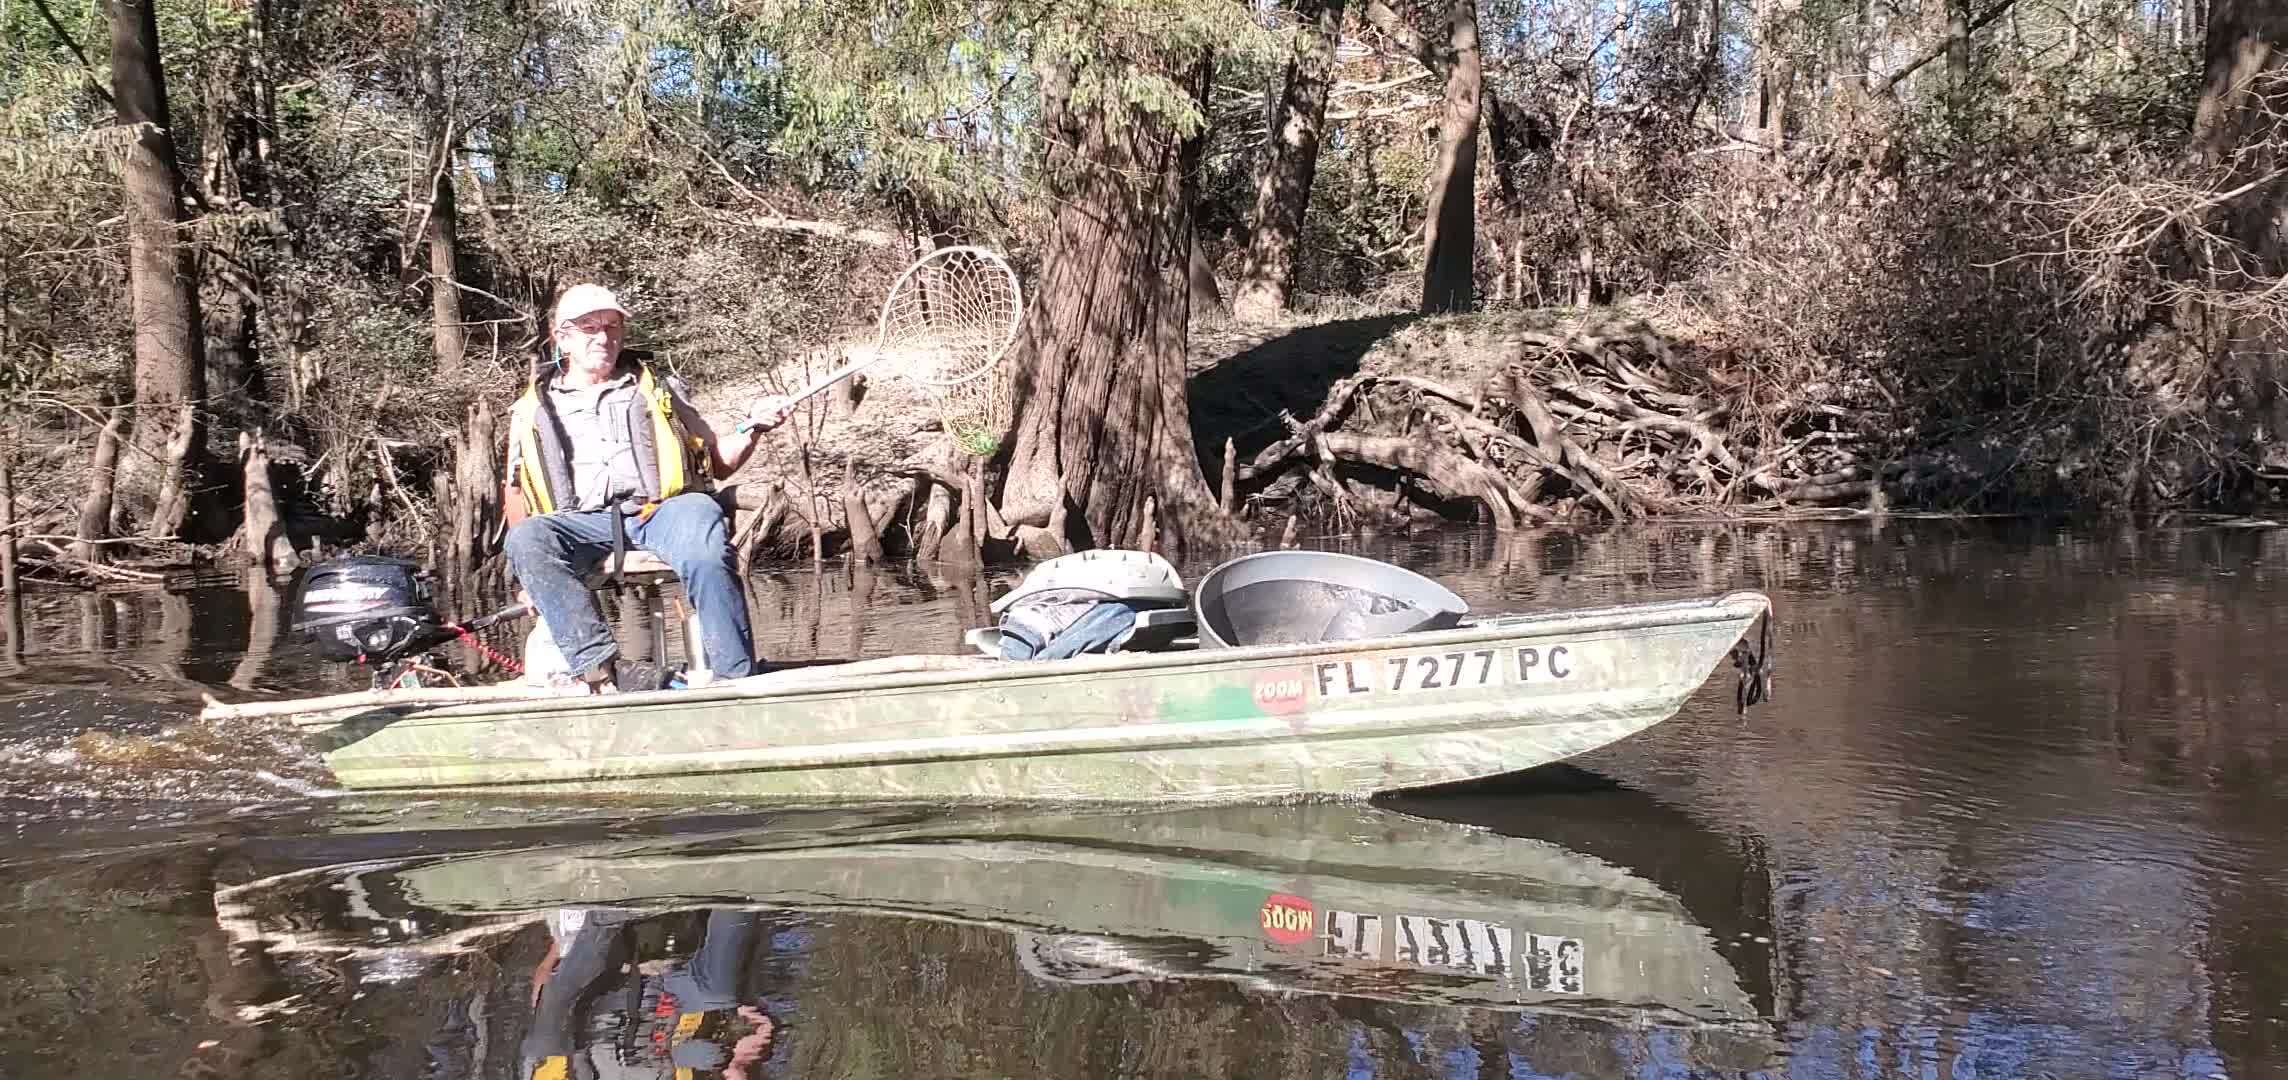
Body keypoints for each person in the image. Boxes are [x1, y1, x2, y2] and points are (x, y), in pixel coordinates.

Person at [503, 283, 792, 693]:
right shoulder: (530, 408)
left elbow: (717, 462)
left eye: (612, 327)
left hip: (663, 510)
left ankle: (737, 676)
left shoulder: (660, 388)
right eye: (589, 328)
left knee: (704, 540)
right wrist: (528, 578)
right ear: (562, 337)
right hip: (580, 522)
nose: (604, 338)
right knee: (528, 538)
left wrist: (754, 428)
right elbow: (514, 492)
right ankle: (604, 671)